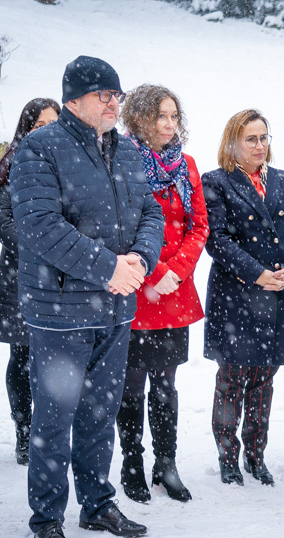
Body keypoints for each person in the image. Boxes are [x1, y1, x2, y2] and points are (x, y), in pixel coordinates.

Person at [10, 56, 164, 538]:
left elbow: (151, 210)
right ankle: (47, 518)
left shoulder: (126, 151)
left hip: (115, 308)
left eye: (117, 94)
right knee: (54, 419)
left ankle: (97, 502)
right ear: (73, 98)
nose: (113, 102)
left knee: (101, 413)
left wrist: (140, 258)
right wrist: (107, 267)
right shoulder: (40, 148)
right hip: (60, 309)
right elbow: (40, 226)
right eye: (103, 94)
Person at [203, 109, 284, 488]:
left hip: (279, 293)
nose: (260, 145)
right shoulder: (215, 182)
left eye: (264, 137)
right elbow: (217, 240)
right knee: (232, 380)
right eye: (251, 138)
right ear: (233, 142)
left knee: (264, 381)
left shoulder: (282, 180)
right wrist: (258, 273)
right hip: (237, 296)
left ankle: (256, 455)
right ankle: (228, 458)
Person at [116, 84, 208, 503]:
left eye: (174, 115)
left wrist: (177, 270)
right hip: (137, 285)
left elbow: (199, 226)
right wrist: (154, 270)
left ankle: (166, 463)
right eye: (160, 116)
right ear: (138, 118)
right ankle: (132, 461)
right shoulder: (119, 160)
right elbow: (120, 226)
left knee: (166, 383)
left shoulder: (184, 164)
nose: (170, 124)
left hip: (174, 290)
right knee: (131, 384)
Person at [0, 97, 60, 466]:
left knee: (55, 358)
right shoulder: (6, 169)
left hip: (62, 276)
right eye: (38, 125)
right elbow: (2, 222)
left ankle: (50, 432)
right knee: (22, 355)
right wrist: (47, 245)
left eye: (53, 123)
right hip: (20, 274)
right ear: (25, 129)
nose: (46, 131)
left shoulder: (70, 165)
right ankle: (23, 430)